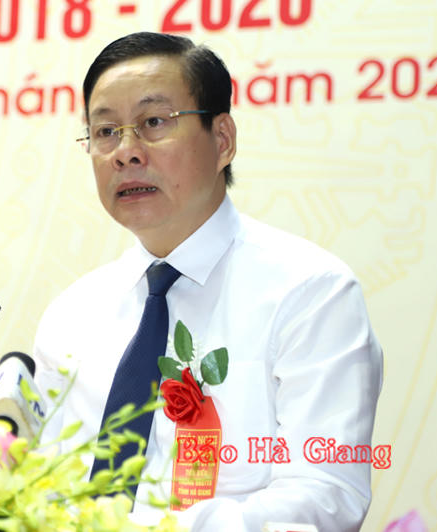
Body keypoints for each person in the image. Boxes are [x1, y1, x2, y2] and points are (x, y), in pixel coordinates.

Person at [33, 32, 382, 531]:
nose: (125, 152)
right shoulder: (72, 314)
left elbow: (326, 495)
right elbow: (45, 485)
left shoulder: (311, 293)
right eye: (106, 131)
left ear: (222, 140)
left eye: (154, 122)